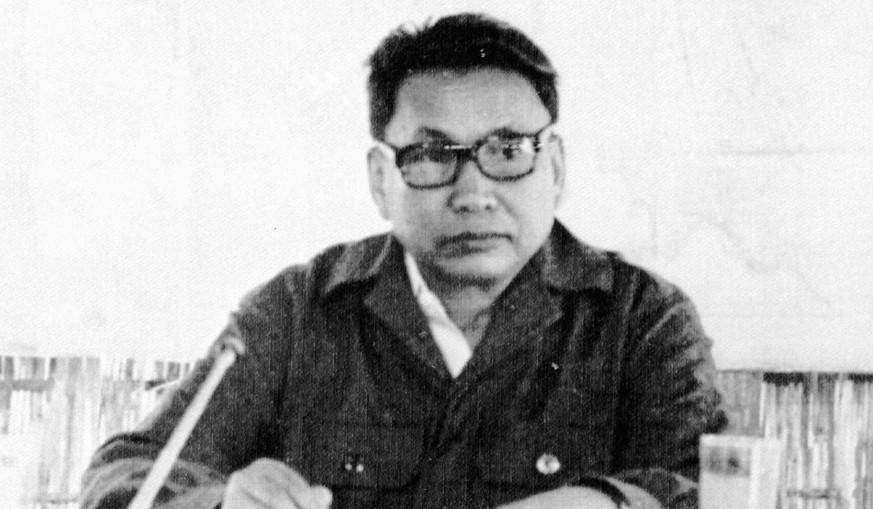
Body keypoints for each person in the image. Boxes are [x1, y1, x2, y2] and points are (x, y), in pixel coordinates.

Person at [81, 12, 726, 509]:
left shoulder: (643, 319)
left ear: (555, 167)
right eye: (432, 157)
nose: (473, 194)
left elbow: (710, 487)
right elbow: (125, 475)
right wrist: (223, 502)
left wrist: (609, 502)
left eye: (508, 151)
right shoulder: (297, 311)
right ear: (379, 179)